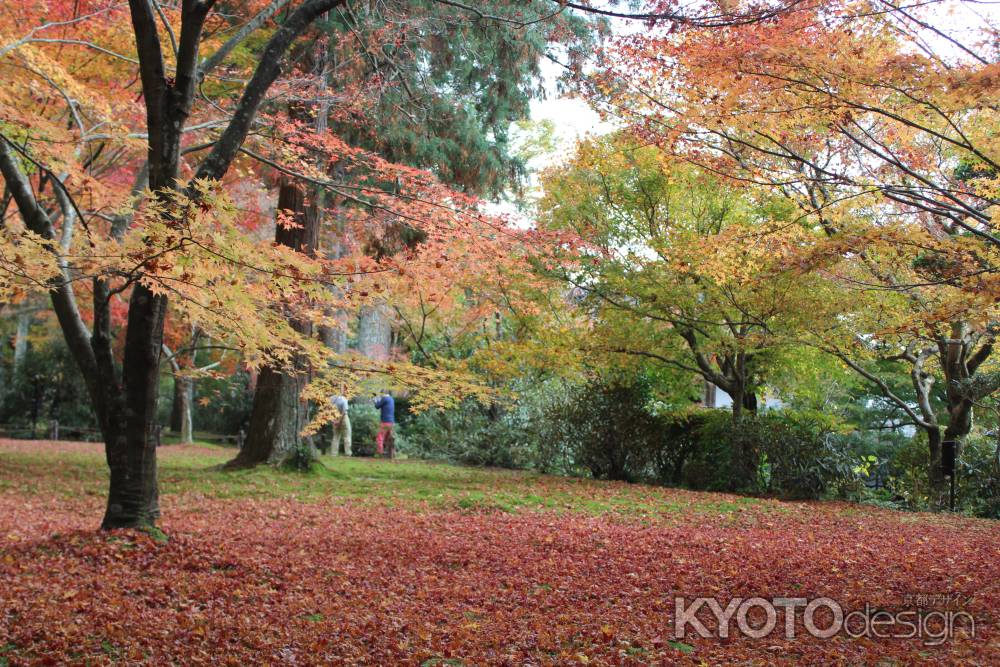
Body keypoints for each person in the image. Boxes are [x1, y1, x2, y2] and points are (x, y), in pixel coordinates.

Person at [373, 390, 395, 458]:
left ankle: (380, 453)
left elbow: (377, 406)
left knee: (380, 438)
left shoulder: (384, 399)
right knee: (390, 439)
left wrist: (374, 399)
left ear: (383, 394)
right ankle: (392, 454)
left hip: (385, 422)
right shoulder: (391, 399)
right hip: (391, 422)